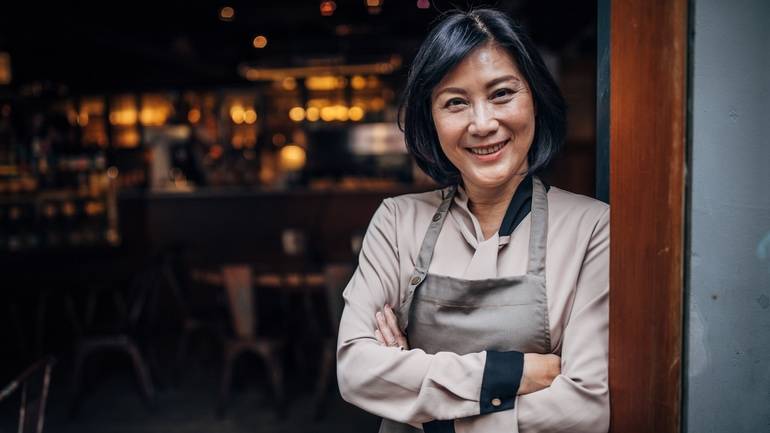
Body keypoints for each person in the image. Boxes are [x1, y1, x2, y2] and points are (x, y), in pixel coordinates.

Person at [336, 8, 609, 433]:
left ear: (535, 97)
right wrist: (515, 374)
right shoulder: (395, 222)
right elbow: (356, 369)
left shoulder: (592, 228)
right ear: (431, 119)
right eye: (455, 102)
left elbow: (585, 408)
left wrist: (427, 407)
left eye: (502, 94)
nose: (482, 124)